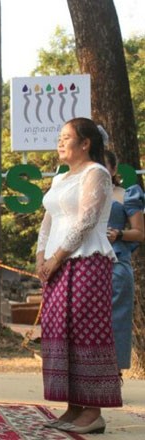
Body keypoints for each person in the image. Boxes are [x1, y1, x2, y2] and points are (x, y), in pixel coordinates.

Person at [35, 117, 121, 434]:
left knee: (86, 331)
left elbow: (86, 221)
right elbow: (48, 221)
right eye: (59, 136)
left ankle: (93, 412)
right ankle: (73, 407)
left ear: (85, 143)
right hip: (56, 264)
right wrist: (41, 256)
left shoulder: (96, 173)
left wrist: (56, 258)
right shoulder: (61, 177)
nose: (60, 142)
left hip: (87, 262)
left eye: (67, 137)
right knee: (61, 332)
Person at [103, 150, 145, 374]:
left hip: (116, 264)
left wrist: (118, 234)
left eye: (104, 165)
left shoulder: (125, 194)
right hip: (85, 265)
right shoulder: (80, 194)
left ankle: (114, 374)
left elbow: (140, 233)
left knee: (116, 319)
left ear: (114, 169)